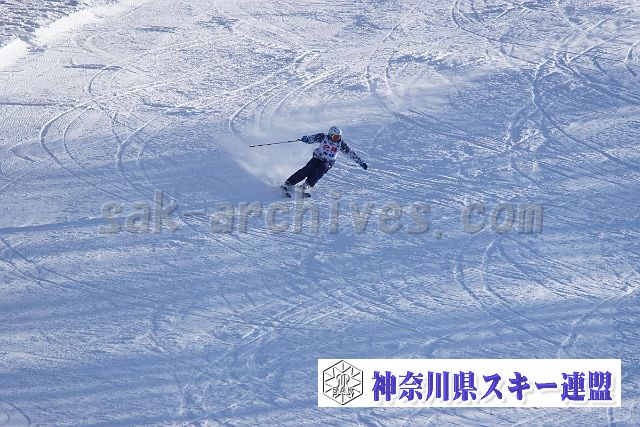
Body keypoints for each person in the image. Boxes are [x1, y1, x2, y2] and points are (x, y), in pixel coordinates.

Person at [283, 126, 368, 194]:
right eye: (335, 137)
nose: (337, 139)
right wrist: (307, 139)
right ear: (330, 135)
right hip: (318, 157)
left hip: (328, 161)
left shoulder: (341, 144)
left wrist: (361, 163)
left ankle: (307, 185)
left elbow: (351, 154)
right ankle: (289, 182)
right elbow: (312, 138)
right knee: (308, 169)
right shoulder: (323, 137)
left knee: (320, 171)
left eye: (338, 137)